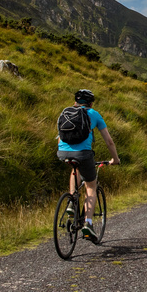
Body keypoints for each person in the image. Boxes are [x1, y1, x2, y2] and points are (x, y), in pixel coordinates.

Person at [57, 89, 120, 240]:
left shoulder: (66, 113)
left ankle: (72, 201)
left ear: (75, 102)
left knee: (75, 170)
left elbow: (60, 137)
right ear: (91, 103)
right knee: (91, 186)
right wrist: (115, 159)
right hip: (83, 154)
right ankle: (88, 223)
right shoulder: (94, 114)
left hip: (62, 152)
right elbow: (109, 141)